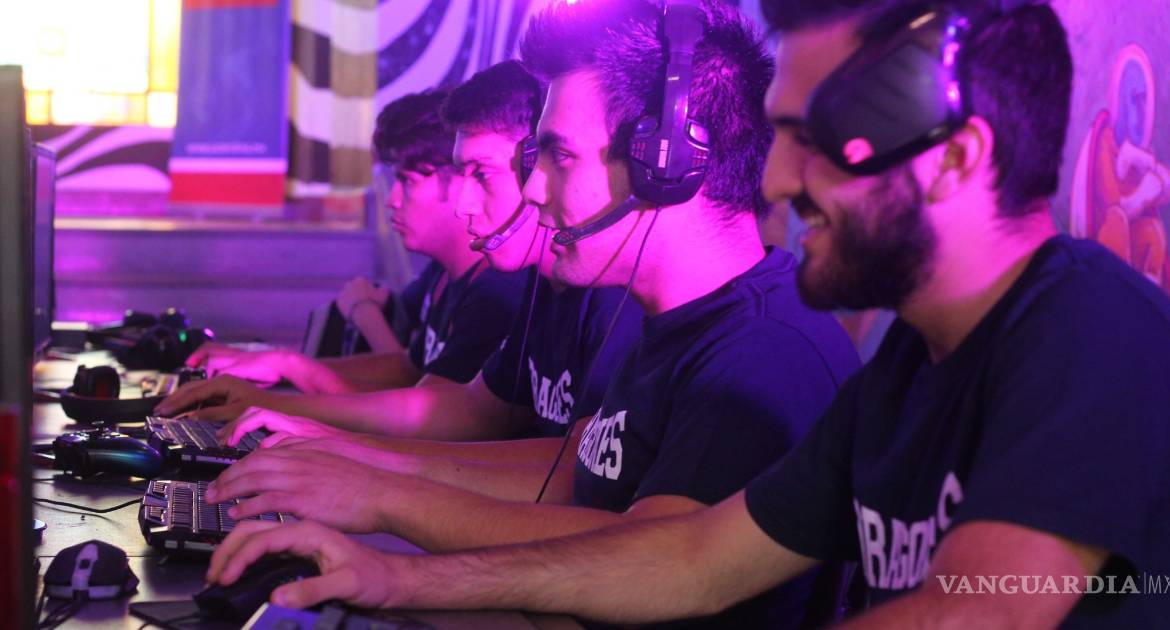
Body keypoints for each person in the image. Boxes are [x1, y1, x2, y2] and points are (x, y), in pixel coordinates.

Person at [207, 1, 1170, 629]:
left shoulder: (1088, 331)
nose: (775, 179)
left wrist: (382, 509)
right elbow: (688, 556)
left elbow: (975, 615)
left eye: (813, 140)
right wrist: (393, 580)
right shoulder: (913, 361)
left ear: (956, 157)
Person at [204, 1, 859, 627]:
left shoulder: (762, 354)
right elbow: (576, 477)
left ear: (667, 163)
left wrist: (384, 511)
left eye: (559, 155)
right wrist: (352, 464)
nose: (534, 188)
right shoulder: (665, 323)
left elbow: (659, 555)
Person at [156, 61, 646, 496]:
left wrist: (352, 450)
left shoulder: (599, 299)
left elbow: (575, 474)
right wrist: (315, 424)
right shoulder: (544, 287)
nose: (463, 205)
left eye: (482, 174)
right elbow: (464, 408)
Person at [181, 91, 527, 394]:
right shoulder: (441, 275)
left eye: (407, 181)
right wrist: (271, 363)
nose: (392, 200)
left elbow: (426, 413)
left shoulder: (497, 293)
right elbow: (409, 369)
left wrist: (291, 371)